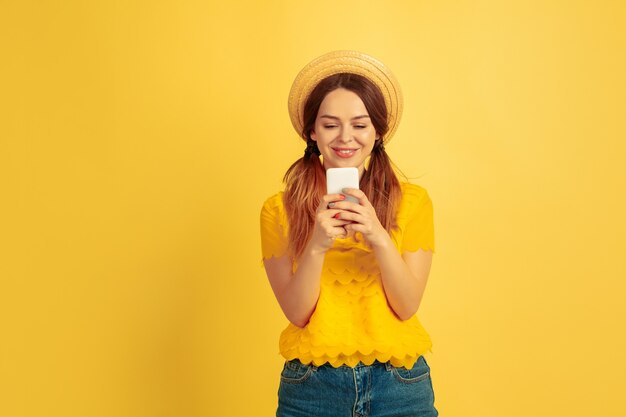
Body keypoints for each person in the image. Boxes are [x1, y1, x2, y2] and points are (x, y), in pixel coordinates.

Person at [260, 50, 438, 417]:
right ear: (312, 131)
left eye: (360, 124)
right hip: (311, 386)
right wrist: (316, 246)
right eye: (330, 124)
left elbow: (406, 305)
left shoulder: (413, 202)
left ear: (377, 132)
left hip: (400, 384)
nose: (346, 137)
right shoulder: (278, 210)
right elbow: (297, 312)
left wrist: (377, 235)